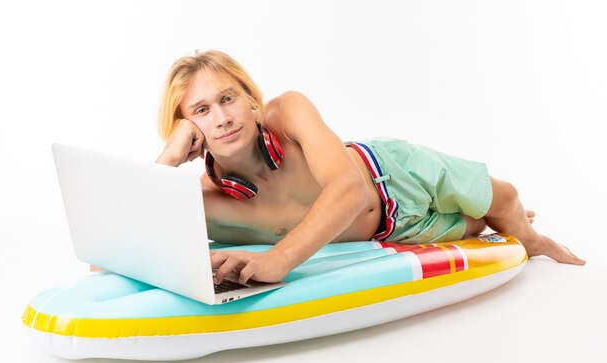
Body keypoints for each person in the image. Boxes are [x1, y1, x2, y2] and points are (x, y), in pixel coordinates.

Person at [153, 50, 585, 285]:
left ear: (251, 99)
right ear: (186, 126)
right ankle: (496, 223)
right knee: (478, 225)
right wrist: (169, 159)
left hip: (391, 173)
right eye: (202, 110)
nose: (223, 118)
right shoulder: (206, 200)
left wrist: (281, 258)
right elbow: (116, 249)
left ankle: (531, 238)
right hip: (393, 231)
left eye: (228, 99)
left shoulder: (287, 110)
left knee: (504, 198)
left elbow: (347, 188)